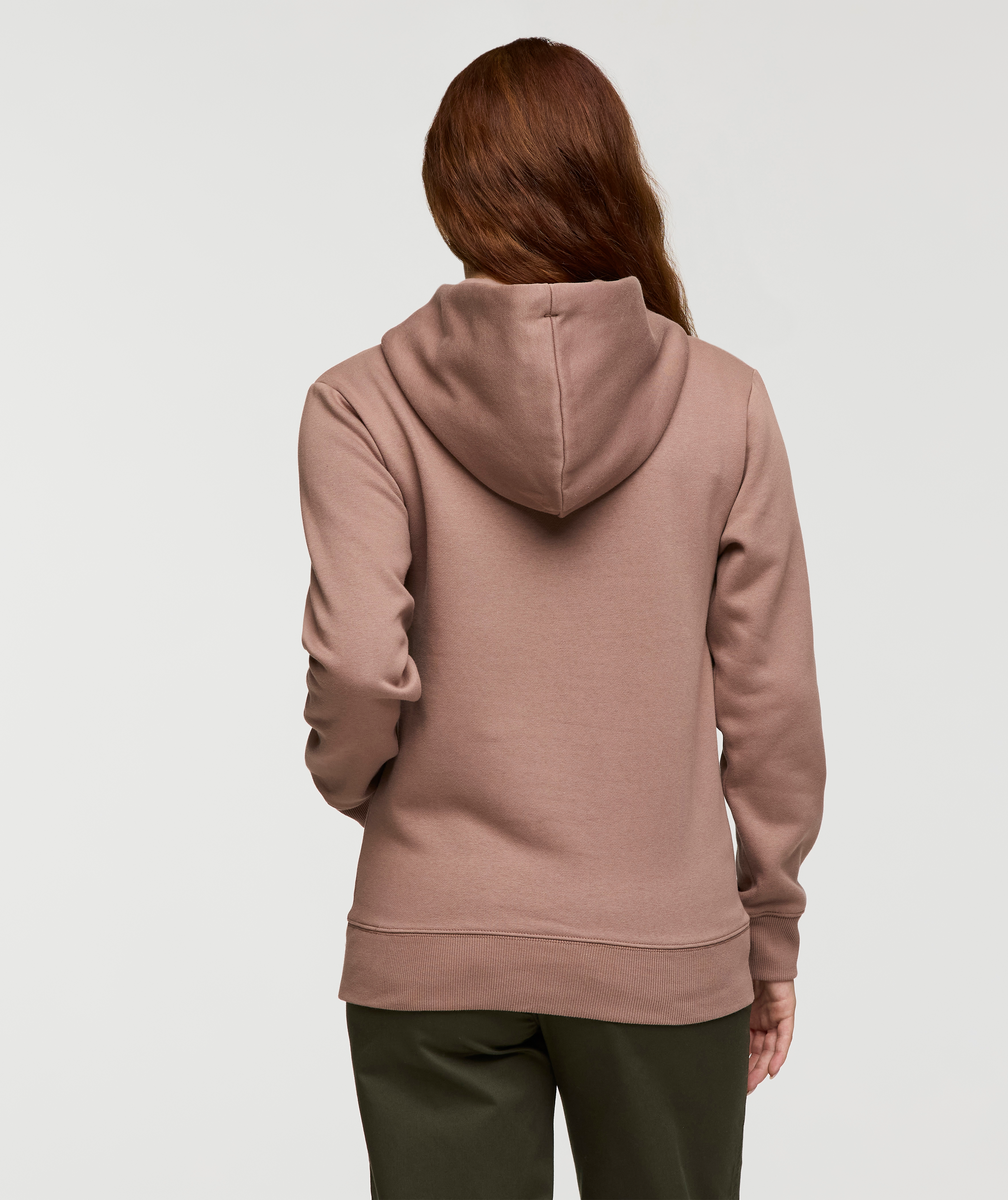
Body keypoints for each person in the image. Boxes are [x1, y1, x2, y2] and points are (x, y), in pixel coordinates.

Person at [297, 36, 825, 1200]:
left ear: (451, 193)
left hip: (434, 940)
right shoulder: (726, 404)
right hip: (665, 951)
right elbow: (773, 705)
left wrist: (366, 790)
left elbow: (357, 663)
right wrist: (770, 930)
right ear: (609, 177)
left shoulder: (358, 405)